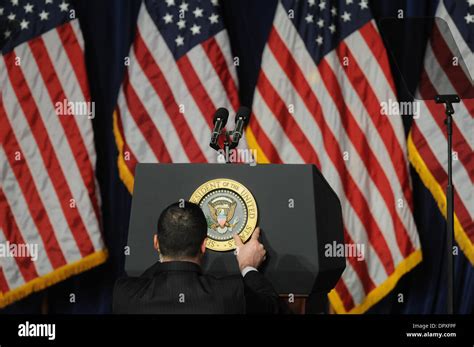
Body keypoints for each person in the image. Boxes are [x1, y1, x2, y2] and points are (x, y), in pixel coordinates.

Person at [113, 201, 280, 314]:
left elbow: (145, 283)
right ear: (203, 245)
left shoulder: (124, 294)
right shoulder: (230, 292)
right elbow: (274, 307)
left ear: (156, 242)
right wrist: (248, 266)